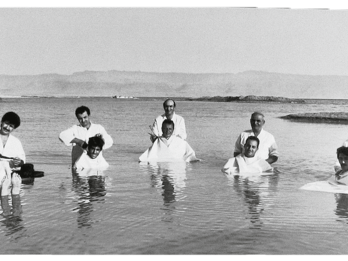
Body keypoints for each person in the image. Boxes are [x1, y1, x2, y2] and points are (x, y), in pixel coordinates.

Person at [0, 112, 25, 216]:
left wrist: (18, 162)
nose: (7, 127)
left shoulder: (16, 141)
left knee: (16, 206)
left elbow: (23, 159)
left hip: (10, 176)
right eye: (6, 123)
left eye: (11, 126)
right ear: (1, 122)